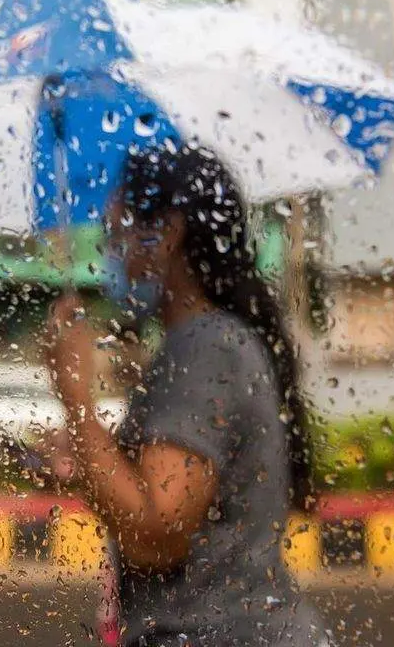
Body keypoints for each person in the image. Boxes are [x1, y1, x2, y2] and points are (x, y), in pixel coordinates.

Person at [45, 145, 327, 647]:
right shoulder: (197, 343)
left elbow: (157, 535)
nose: (115, 260)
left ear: (167, 235)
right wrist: (90, 458)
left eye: (120, 235)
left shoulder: (206, 348)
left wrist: (76, 399)